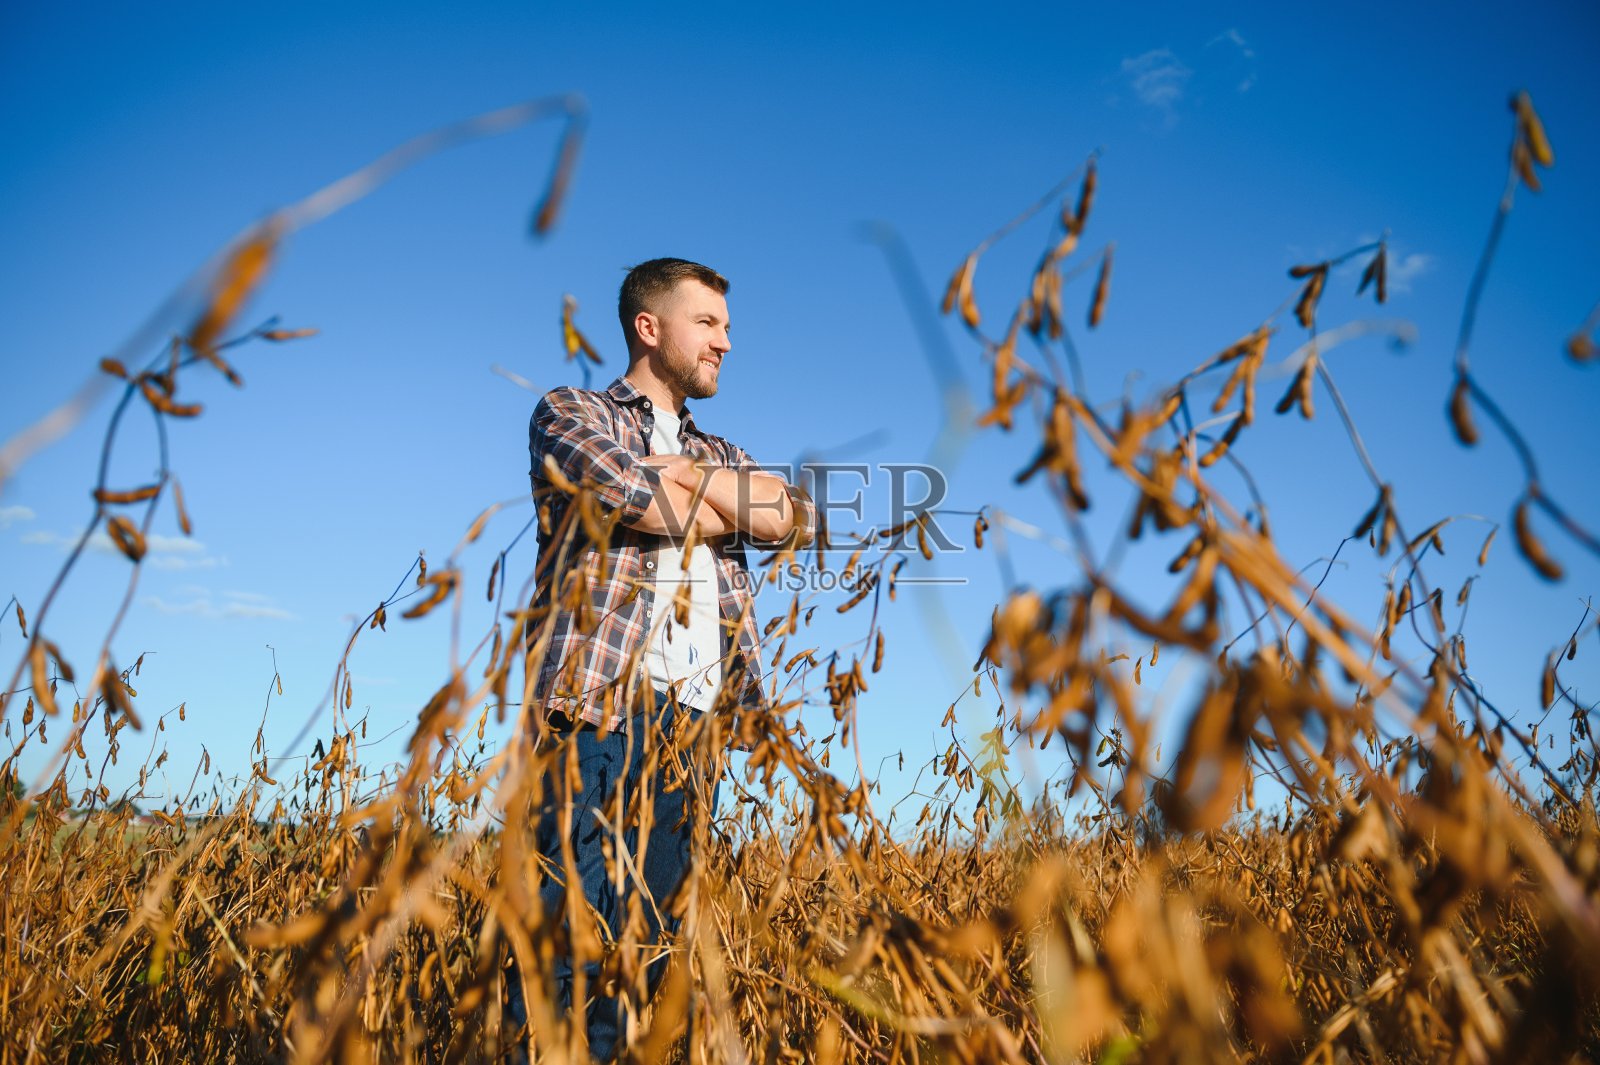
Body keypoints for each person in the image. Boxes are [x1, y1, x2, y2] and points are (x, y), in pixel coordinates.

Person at [507, 258, 815, 1061]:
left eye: (725, 325)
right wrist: (713, 499)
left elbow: (791, 517)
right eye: (708, 323)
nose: (727, 341)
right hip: (597, 707)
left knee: (652, 949)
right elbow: (633, 500)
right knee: (565, 940)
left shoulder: (719, 444)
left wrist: (691, 472)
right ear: (651, 328)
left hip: (694, 727)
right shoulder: (572, 411)